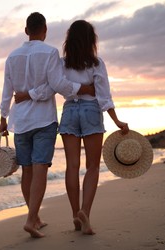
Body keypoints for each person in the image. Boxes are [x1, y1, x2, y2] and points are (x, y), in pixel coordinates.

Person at [15, 20, 129, 235]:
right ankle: (85, 211)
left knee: (72, 167)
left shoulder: (61, 63)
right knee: (93, 166)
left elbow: (54, 86)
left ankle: (76, 214)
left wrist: (25, 95)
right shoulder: (97, 63)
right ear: (90, 40)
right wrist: (117, 121)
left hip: (69, 111)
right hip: (90, 111)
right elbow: (104, 96)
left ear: (70, 40)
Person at [0, 13, 95, 238]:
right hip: (43, 120)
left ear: (26, 31)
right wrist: (84, 89)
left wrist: (3, 117)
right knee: (40, 167)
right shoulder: (50, 53)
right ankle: (32, 220)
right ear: (45, 30)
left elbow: (7, 90)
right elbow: (57, 85)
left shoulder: (12, 56)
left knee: (27, 170)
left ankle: (36, 218)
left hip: (20, 121)